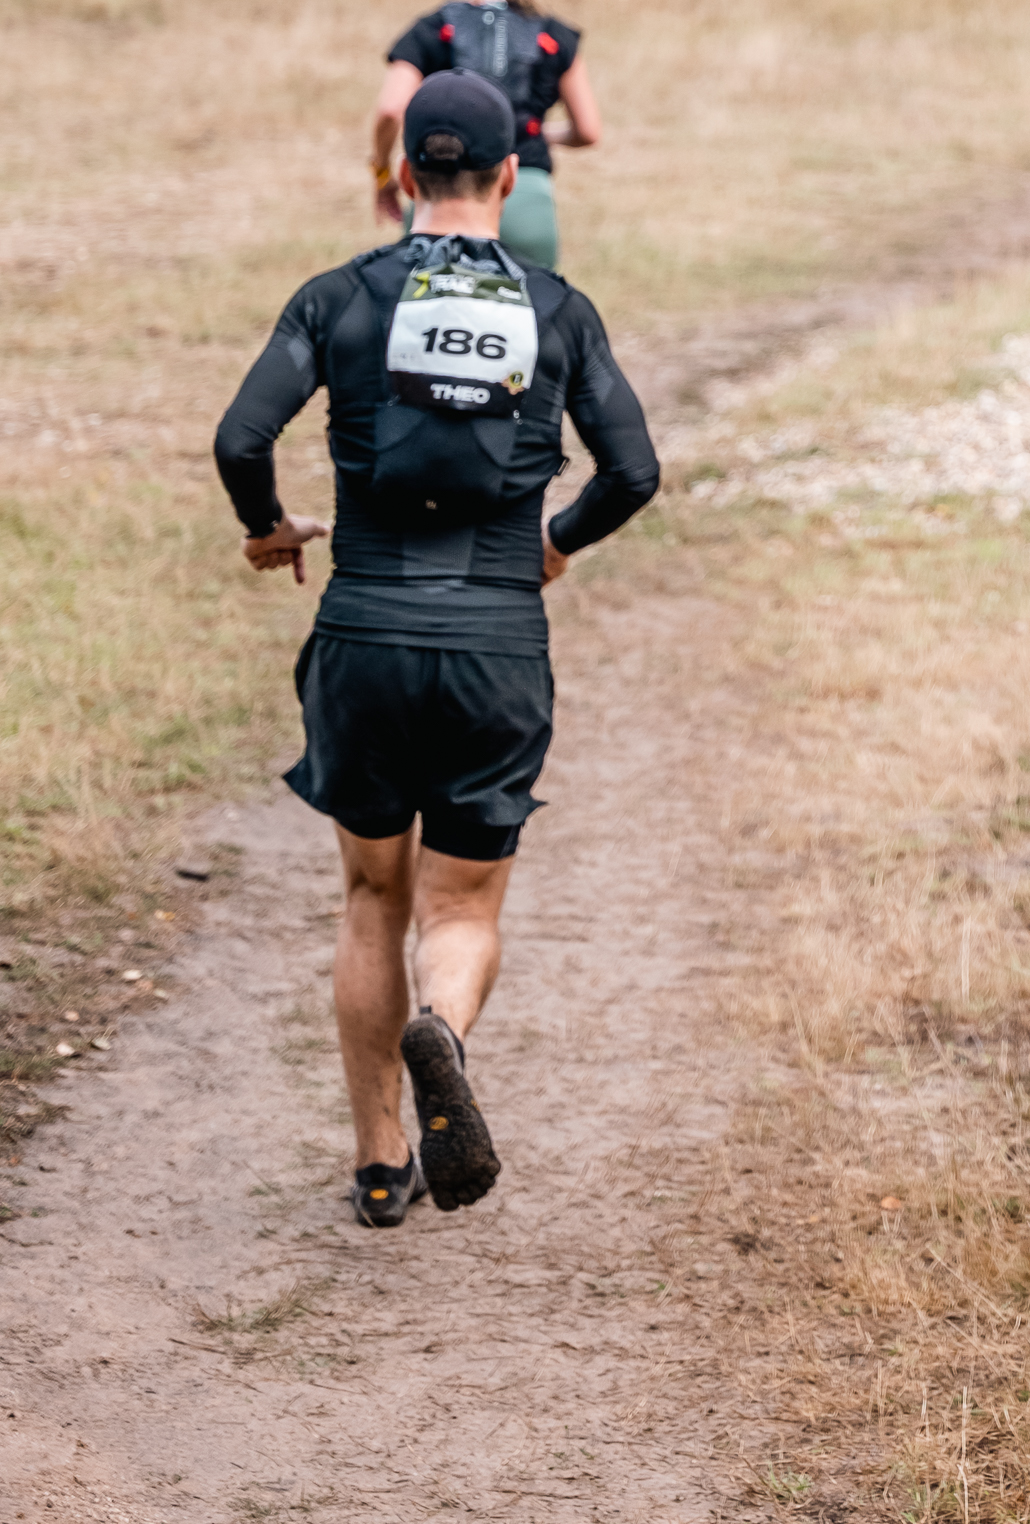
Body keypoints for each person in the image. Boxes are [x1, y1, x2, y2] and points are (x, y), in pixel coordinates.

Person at [215, 72, 660, 1228]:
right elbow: (635, 472)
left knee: (373, 896)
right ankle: (442, 1033)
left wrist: (270, 529)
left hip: (363, 638)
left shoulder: (338, 299)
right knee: (459, 909)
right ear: (512, 177)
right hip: (494, 646)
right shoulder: (558, 310)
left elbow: (240, 435)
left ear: (405, 175)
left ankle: (378, 1160)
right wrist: (553, 545)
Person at [371, 0, 598, 272]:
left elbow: (390, 111)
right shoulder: (553, 34)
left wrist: (382, 174)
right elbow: (588, 131)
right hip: (526, 201)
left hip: (440, 202)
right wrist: (538, 134)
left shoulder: (432, 28)